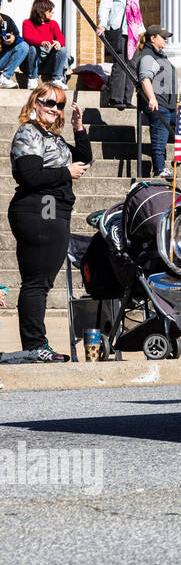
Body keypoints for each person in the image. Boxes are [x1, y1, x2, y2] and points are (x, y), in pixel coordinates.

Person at [8, 84, 92, 362]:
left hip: (52, 208)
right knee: (37, 282)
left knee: (38, 282)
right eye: (49, 103)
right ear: (35, 103)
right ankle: (34, 345)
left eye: (60, 105)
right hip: (42, 208)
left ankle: (35, 343)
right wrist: (65, 172)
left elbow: (84, 160)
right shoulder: (28, 133)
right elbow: (30, 175)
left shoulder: (51, 137)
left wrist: (78, 128)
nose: (55, 109)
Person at [96, 0, 155, 108]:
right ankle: (116, 98)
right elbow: (104, 7)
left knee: (132, 64)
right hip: (118, 32)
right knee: (120, 63)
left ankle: (127, 99)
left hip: (133, 33)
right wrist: (102, 24)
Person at [136, 25, 178, 180]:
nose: (166, 39)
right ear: (153, 38)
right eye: (163, 36)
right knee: (160, 135)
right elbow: (145, 78)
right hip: (159, 103)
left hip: (169, 104)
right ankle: (159, 168)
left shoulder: (161, 55)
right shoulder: (149, 56)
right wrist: (152, 98)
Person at [22, 0, 69, 88]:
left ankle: (57, 79)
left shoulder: (53, 24)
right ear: (41, 11)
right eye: (50, 10)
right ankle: (32, 79)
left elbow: (61, 38)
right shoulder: (27, 23)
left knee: (63, 48)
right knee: (33, 48)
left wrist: (59, 43)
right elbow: (27, 37)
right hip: (33, 63)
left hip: (48, 63)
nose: (52, 13)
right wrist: (41, 42)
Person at [0, 8, 30, 89]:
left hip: (2, 58)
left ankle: (5, 78)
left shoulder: (6, 20)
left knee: (23, 46)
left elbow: (19, 37)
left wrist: (13, 38)